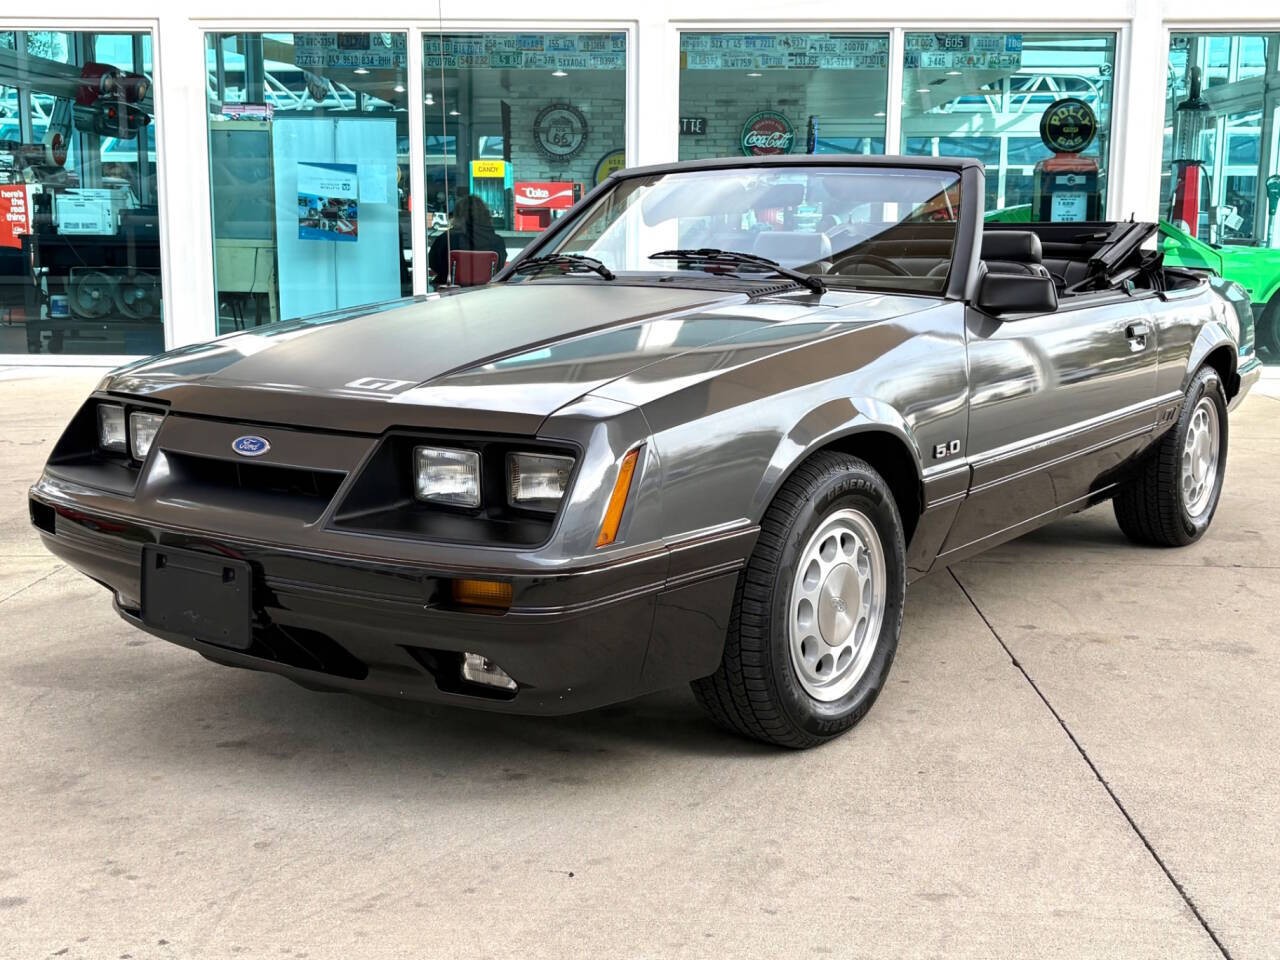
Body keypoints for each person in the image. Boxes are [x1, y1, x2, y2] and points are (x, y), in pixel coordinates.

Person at [428, 194, 507, 285]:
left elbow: (433, 264)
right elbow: (499, 267)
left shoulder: (446, 239)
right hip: (484, 292)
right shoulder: (497, 241)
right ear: (485, 215)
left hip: (451, 294)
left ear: (458, 216)